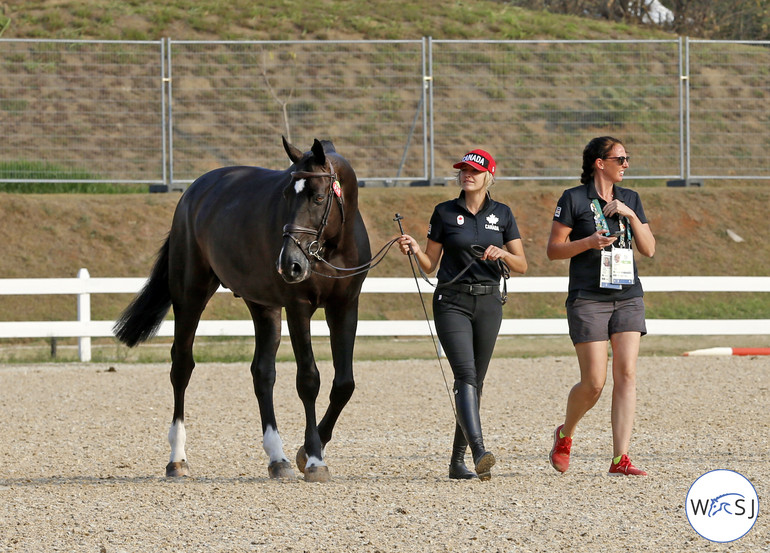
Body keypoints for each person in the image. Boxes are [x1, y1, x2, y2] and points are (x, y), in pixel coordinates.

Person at [398, 149, 527, 480]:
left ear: (489, 176)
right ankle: (479, 450)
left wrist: (503, 254)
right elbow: (430, 263)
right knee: (466, 376)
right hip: (451, 302)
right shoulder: (443, 212)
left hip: (488, 304)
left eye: (474, 170)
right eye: (463, 170)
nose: (466, 174)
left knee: (475, 383)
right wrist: (414, 249)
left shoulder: (503, 213)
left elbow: (522, 264)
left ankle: (457, 463)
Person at [546, 136, 656, 476]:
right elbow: (553, 249)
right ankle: (565, 434)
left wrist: (631, 216)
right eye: (620, 159)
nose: (626, 165)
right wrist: (588, 242)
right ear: (600, 162)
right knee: (594, 381)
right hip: (588, 298)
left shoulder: (631, 198)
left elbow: (649, 249)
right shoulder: (574, 199)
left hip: (627, 295)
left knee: (626, 374)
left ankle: (619, 457)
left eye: (626, 159)